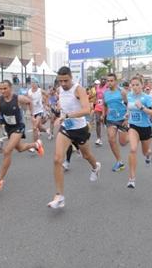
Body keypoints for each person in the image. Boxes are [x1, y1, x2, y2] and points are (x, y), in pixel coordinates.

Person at [48, 66, 101, 209]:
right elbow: (63, 107)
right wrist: (59, 113)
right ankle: (59, 196)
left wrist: (67, 115)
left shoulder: (79, 89)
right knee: (57, 159)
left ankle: (96, 167)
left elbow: (86, 110)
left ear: (71, 77)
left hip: (80, 129)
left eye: (66, 80)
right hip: (67, 128)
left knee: (87, 155)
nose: (63, 84)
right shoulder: (60, 90)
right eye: (61, 81)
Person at [0, 80, 44, 191]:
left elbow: (29, 102)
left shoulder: (18, 98)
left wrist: (32, 115)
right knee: (20, 148)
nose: (2, 91)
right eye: (1, 89)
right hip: (8, 128)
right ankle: (36, 145)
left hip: (18, 127)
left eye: (5, 88)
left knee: (7, 151)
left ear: (10, 88)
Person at [125, 76, 152, 189]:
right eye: (133, 85)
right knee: (133, 149)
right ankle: (131, 178)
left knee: (145, 152)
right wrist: (127, 114)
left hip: (146, 128)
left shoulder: (147, 98)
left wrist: (142, 108)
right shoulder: (129, 95)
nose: (134, 87)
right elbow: (129, 108)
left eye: (137, 85)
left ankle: (149, 155)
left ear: (142, 85)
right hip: (133, 126)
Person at [102, 73, 128, 172]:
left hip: (122, 119)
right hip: (111, 120)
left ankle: (133, 135)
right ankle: (119, 162)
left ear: (115, 81)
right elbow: (104, 105)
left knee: (123, 142)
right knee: (111, 139)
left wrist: (126, 118)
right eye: (108, 81)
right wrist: (103, 114)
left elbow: (129, 104)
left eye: (111, 80)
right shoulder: (106, 93)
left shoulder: (122, 92)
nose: (109, 82)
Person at [28, 78, 48, 150]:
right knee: (39, 127)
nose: (33, 84)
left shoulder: (40, 90)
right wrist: (31, 113)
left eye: (34, 82)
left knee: (34, 128)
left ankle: (35, 145)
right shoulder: (29, 91)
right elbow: (29, 103)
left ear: (37, 83)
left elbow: (47, 95)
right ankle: (47, 130)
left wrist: (45, 104)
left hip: (40, 111)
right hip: (33, 112)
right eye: (31, 82)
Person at [93, 78, 108, 146]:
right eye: (102, 79)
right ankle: (98, 138)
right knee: (97, 121)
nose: (103, 81)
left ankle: (105, 124)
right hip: (98, 106)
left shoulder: (107, 86)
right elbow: (96, 95)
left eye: (105, 80)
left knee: (107, 121)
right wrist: (95, 102)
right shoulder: (97, 87)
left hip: (105, 106)